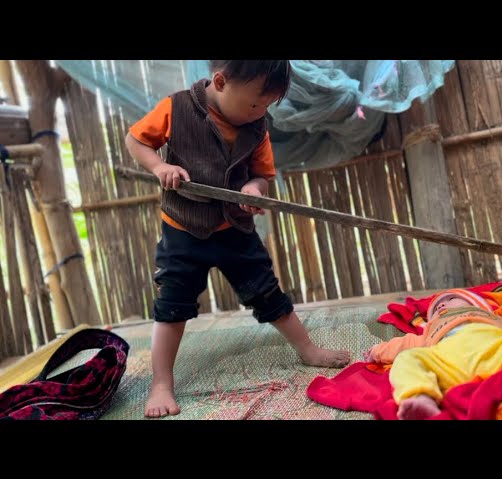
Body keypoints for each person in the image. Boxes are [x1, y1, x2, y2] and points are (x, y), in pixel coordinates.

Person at [125, 60, 350, 418]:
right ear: (220, 81)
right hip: (183, 229)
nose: (260, 112)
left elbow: (262, 176)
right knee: (172, 304)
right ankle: (161, 383)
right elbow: (136, 140)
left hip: (235, 230)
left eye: (267, 106)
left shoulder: (256, 127)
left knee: (266, 290)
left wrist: (252, 188)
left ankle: (308, 349)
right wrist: (159, 166)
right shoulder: (177, 108)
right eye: (255, 104)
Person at [365, 288, 502, 419]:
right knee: (407, 359)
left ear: (477, 305)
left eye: (451, 299)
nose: (441, 305)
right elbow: (405, 344)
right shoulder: (431, 332)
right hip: (448, 362)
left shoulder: (494, 320)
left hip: (499, 353)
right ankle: (420, 396)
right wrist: (377, 351)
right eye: (435, 308)